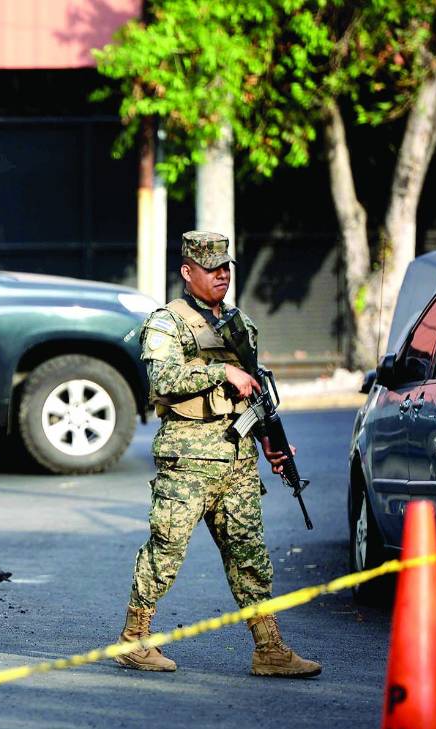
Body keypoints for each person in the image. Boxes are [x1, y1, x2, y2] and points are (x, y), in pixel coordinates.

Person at [114, 230, 320, 678]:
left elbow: (250, 390)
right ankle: (133, 640)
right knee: (166, 550)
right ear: (188, 273)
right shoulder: (167, 322)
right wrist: (219, 370)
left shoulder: (240, 324)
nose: (222, 275)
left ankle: (270, 649)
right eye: (212, 269)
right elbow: (163, 380)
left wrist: (268, 438)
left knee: (251, 557)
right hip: (187, 460)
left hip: (237, 459)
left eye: (226, 267)